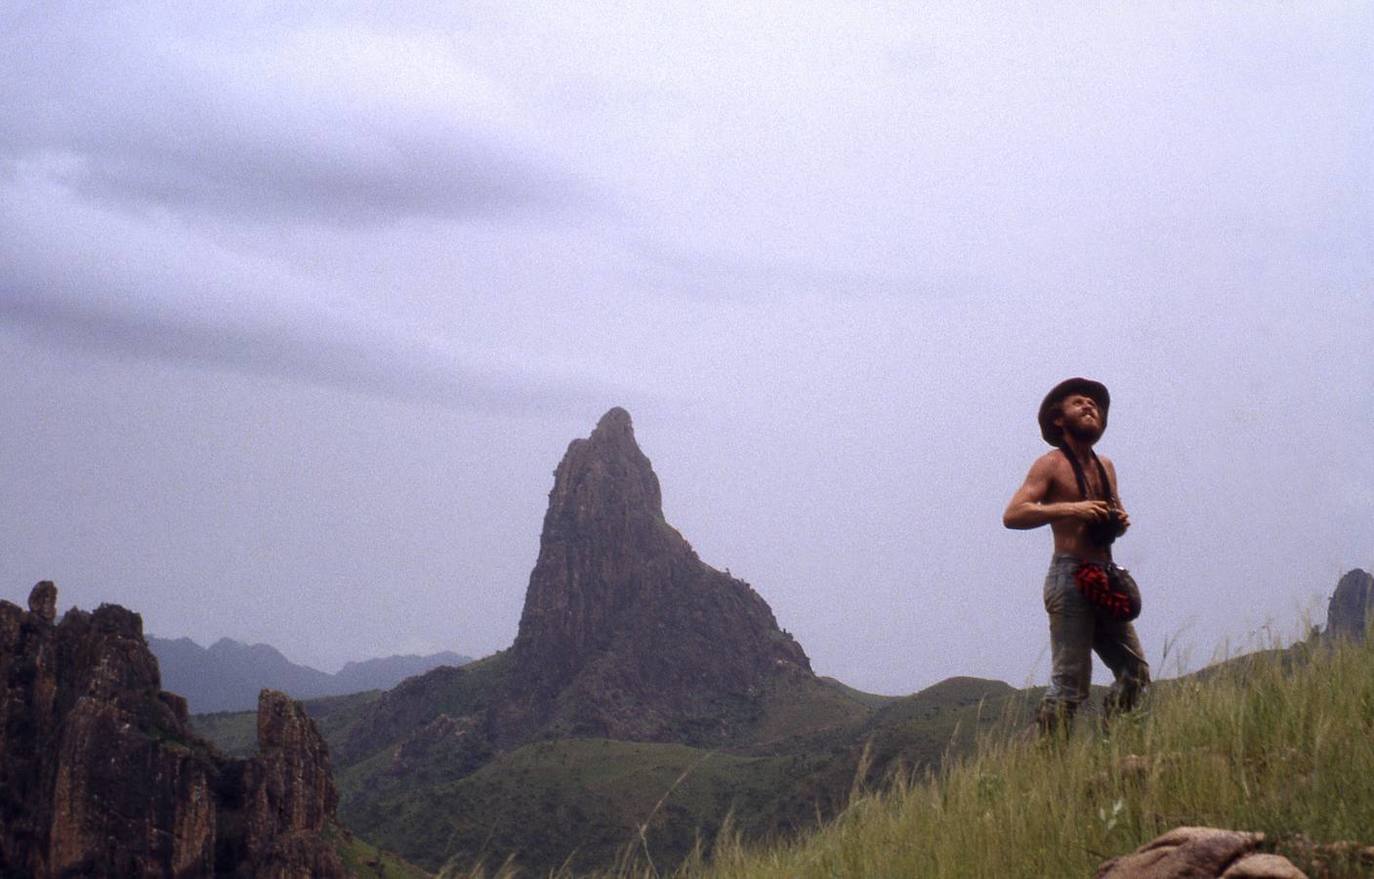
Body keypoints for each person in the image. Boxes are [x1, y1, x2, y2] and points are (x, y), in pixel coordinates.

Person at [1003, 378, 1149, 734]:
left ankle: (1109, 745)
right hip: (1069, 576)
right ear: (1058, 419)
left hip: (1104, 574)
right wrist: (1072, 508)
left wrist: (1120, 520)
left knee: (1135, 673)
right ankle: (1041, 759)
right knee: (1070, 683)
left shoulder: (1106, 466)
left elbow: (1112, 512)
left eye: (1094, 405)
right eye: (1079, 403)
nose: (1090, 407)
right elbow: (1013, 514)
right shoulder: (1050, 464)